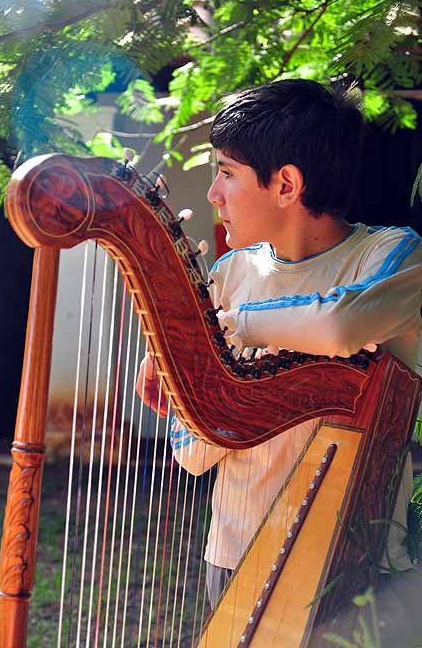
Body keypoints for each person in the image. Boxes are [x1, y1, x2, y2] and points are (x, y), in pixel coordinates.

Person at [136, 79, 422, 614]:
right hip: (234, 552)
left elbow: (341, 324)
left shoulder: (391, 257)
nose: (213, 193)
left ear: (286, 184)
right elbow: (194, 456)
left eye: (225, 172)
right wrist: (190, 403)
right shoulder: (229, 274)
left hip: (358, 558)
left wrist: (235, 328)